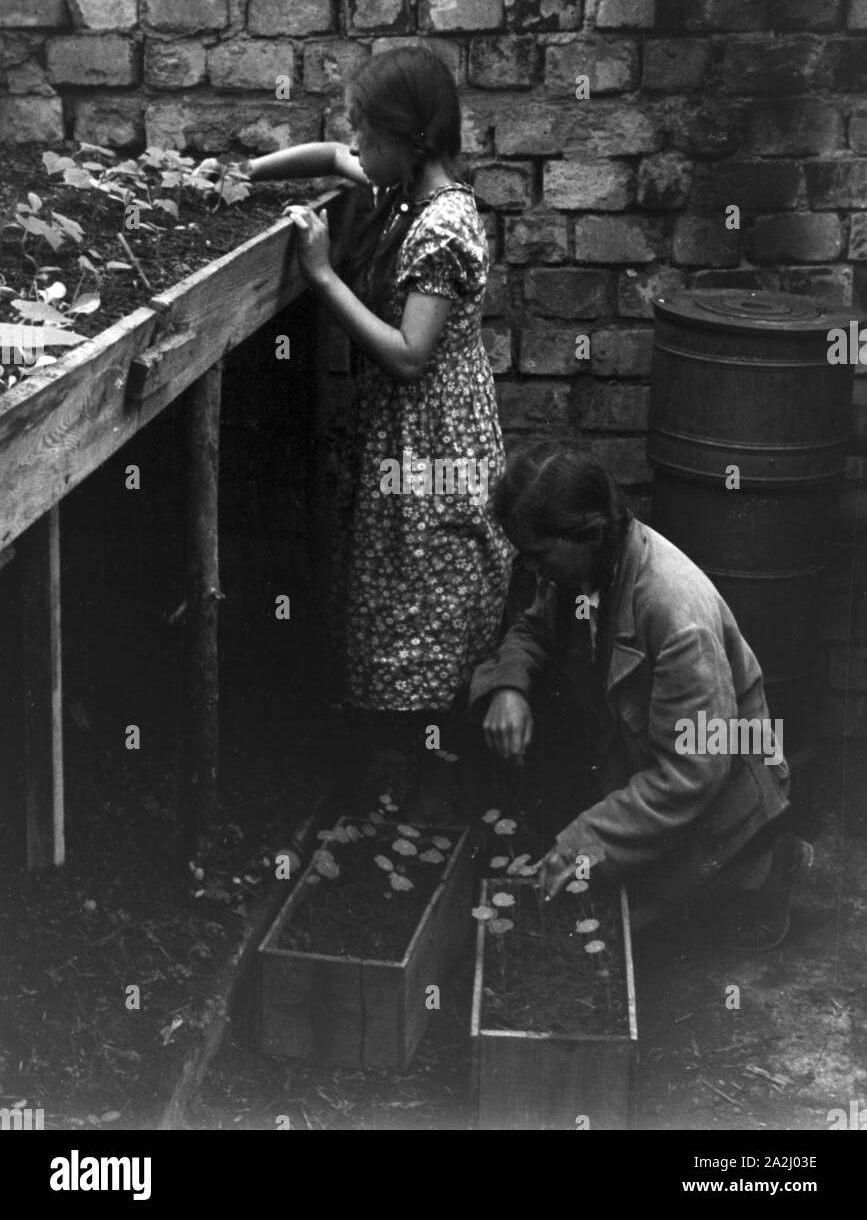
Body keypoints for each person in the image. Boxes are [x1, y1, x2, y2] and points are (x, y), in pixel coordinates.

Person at [200, 47, 512, 808]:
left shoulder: (443, 227)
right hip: (409, 430)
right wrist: (239, 176)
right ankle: (400, 769)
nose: (353, 146)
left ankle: (431, 775)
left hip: (435, 437)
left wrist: (321, 273)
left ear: (410, 140)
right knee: (396, 585)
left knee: (428, 588)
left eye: (365, 133)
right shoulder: (404, 180)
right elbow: (331, 156)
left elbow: (409, 356)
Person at [469, 441, 813, 950]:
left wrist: (578, 845)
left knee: (620, 928)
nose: (531, 570)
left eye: (538, 555)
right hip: (638, 758)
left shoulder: (674, 610)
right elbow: (533, 631)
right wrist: (508, 687)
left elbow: (691, 773)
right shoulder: (582, 567)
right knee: (581, 898)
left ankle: (763, 867)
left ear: (588, 532)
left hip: (713, 784)